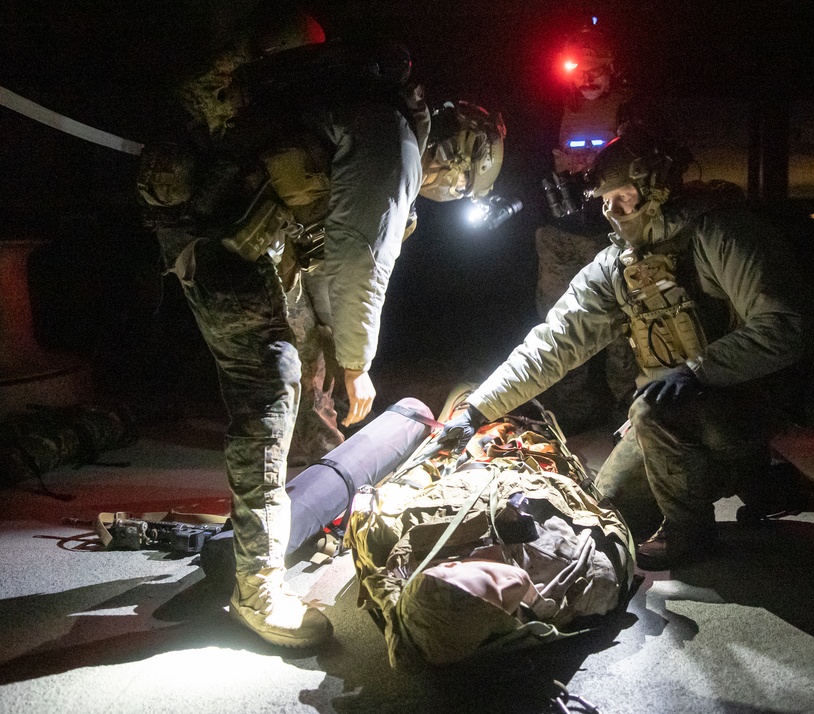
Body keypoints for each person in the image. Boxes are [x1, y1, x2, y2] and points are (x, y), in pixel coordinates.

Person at [136, 10, 428, 647]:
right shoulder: (392, 137)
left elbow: (319, 244)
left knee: (292, 361)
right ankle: (257, 583)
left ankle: (292, 513)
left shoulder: (343, 103)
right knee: (271, 383)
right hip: (219, 243)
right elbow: (357, 259)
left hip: (225, 232)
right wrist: (359, 364)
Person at [441, 129, 804, 570]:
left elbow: (784, 327)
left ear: (657, 190)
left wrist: (697, 371)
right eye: (605, 199)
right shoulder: (615, 265)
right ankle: (753, 479)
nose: (612, 212)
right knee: (607, 513)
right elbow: (555, 342)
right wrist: (477, 410)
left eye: (625, 197)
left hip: (741, 399)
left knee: (653, 413)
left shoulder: (718, 234)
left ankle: (695, 527)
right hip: (671, 412)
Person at [284, 98, 506, 463]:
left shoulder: (394, 133)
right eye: (462, 186)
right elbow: (360, 260)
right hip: (265, 244)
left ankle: (321, 457)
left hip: (295, 249)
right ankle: (312, 481)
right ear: (461, 161)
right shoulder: (398, 151)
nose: (452, 194)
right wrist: (357, 367)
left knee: (320, 346)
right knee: (298, 359)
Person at [536, 24, 639, 430]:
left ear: (612, 68)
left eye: (596, 68)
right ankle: (571, 411)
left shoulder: (632, 107)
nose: (588, 77)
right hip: (559, 234)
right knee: (560, 321)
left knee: (624, 324)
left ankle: (629, 412)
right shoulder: (552, 108)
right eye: (579, 68)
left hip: (615, 233)